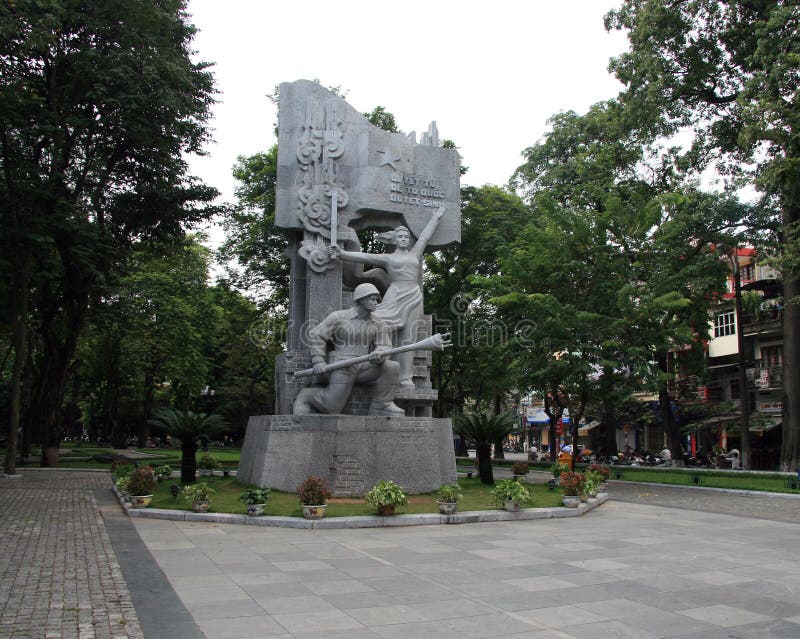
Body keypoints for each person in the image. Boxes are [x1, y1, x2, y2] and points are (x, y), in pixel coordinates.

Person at [329, 206, 445, 388]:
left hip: (413, 296)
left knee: (409, 336)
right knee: (377, 323)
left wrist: (436, 218)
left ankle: (405, 377)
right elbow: (364, 256)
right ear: (394, 239)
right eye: (400, 236)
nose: (404, 239)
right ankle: (373, 367)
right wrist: (342, 253)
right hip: (394, 295)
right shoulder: (388, 258)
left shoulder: (415, 253)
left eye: (406, 236)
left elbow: (424, 237)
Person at [293, 283, 405, 417]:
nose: (376, 302)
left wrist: (380, 355)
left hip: (365, 365)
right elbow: (316, 335)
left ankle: (381, 405)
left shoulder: (378, 322)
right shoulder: (339, 317)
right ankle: (307, 395)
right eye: (373, 299)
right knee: (331, 408)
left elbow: (385, 346)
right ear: (361, 300)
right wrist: (318, 361)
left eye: (377, 299)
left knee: (391, 366)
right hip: (342, 364)